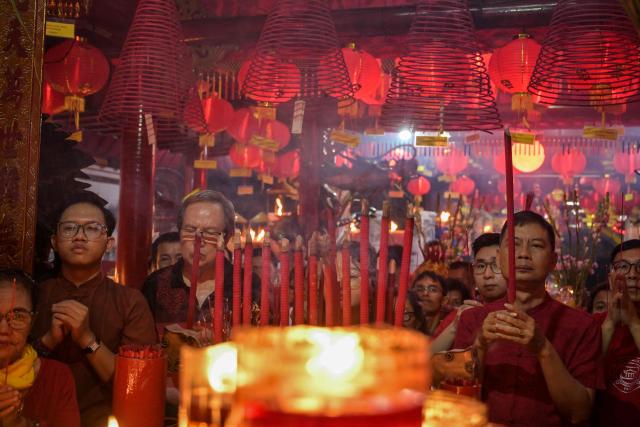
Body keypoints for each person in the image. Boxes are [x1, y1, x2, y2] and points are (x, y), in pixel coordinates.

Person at [453, 211, 602, 426]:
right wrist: (481, 345)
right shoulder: (473, 320)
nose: (523, 254)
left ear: (553, 261)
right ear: (499, 256)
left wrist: (543, 348)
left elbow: (579, 412)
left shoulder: (582, 326)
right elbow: (459, 400)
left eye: (536, 246)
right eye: (514, 245)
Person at [31, 192, 157, 427]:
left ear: (109, 243)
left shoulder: (129, 302)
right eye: (69, 228)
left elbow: (140, 385)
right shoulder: (34, 295)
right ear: (54, 242)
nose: (79, 237)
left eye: (91, 229)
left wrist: (88, 339)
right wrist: (47, 341)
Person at [142, 190, 259, 334]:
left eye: (210, 232)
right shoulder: (155, 285)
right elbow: (143, 346)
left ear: (227, 237)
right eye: (190, 230)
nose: (198, 241)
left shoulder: (247, 283)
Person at [0, 270, 80, 427]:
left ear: (32, 321)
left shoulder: (56, 377)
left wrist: (20, 424)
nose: (3, 329)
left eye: (17, 316)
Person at [431, 233, 507, 352]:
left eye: (496, 266)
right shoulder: (462, 313)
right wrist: (454, 327)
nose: (487, 275)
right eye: (481, 266)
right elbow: (426, 361)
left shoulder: (522, 312)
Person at [592, 239, 640, 427]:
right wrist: (610, 323)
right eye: (623, 267)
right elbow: (584, 380)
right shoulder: (592, 324)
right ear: (610, 275)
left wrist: (634, 323)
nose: (633, 275)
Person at [411, 271, 449, 336]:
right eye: (420, 289)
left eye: (432, 290)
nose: (425, 293)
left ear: (444, 300)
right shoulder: (404, 327)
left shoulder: (448, 328)